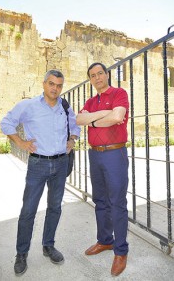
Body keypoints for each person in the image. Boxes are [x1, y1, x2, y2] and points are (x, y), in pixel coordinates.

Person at [1, 69, 80, 276]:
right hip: (38, 165)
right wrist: (21, 142)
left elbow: (75, 124)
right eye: (51, 84)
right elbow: (6, 123)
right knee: (28, 210)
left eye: (59, 85)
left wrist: (72, 139)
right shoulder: (29, 106)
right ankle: (21, 253)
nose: (55, 88)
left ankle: (48, 246)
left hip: (61, 163)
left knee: (55, 207)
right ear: (44, 84)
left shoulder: (64, 106)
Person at [76, 62, 129, 277]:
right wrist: (102, 114)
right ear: (90, 79)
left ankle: (121, 251)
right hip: (94, 153)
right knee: (100, 201)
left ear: (107, 74)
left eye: (100, 73)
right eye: (93, 75)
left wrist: (94, 121)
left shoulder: (119, 93)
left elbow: (117, 117)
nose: (97, 78)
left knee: (117, 202)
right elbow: (79, 119)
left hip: (114, 154)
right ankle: (105, 241)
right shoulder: (90, 100)